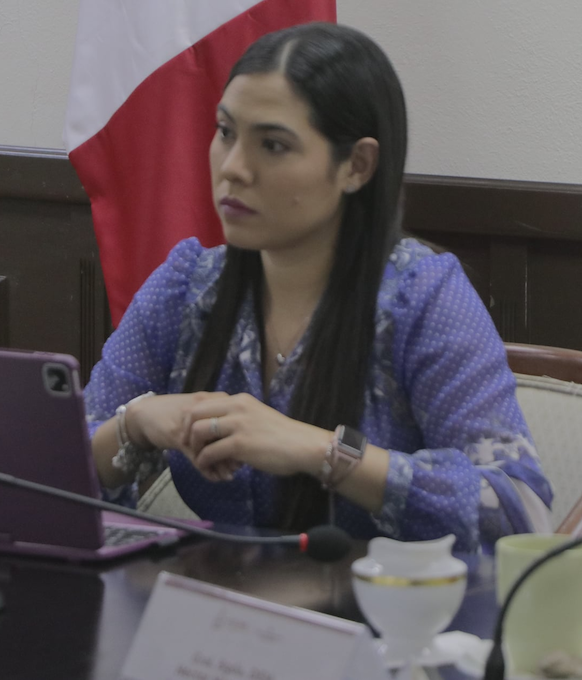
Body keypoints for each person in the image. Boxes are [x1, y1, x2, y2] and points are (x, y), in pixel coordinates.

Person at [84, 22, 553, 553]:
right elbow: (50, 468)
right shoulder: (188, 286)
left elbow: (520, 512)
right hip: (212, 597)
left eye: (273, 145)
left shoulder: (419, 296)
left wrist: (322, 451)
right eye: (225, 132)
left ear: (357, 166)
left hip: (379, 603)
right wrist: (136, 424)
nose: (233, 169)